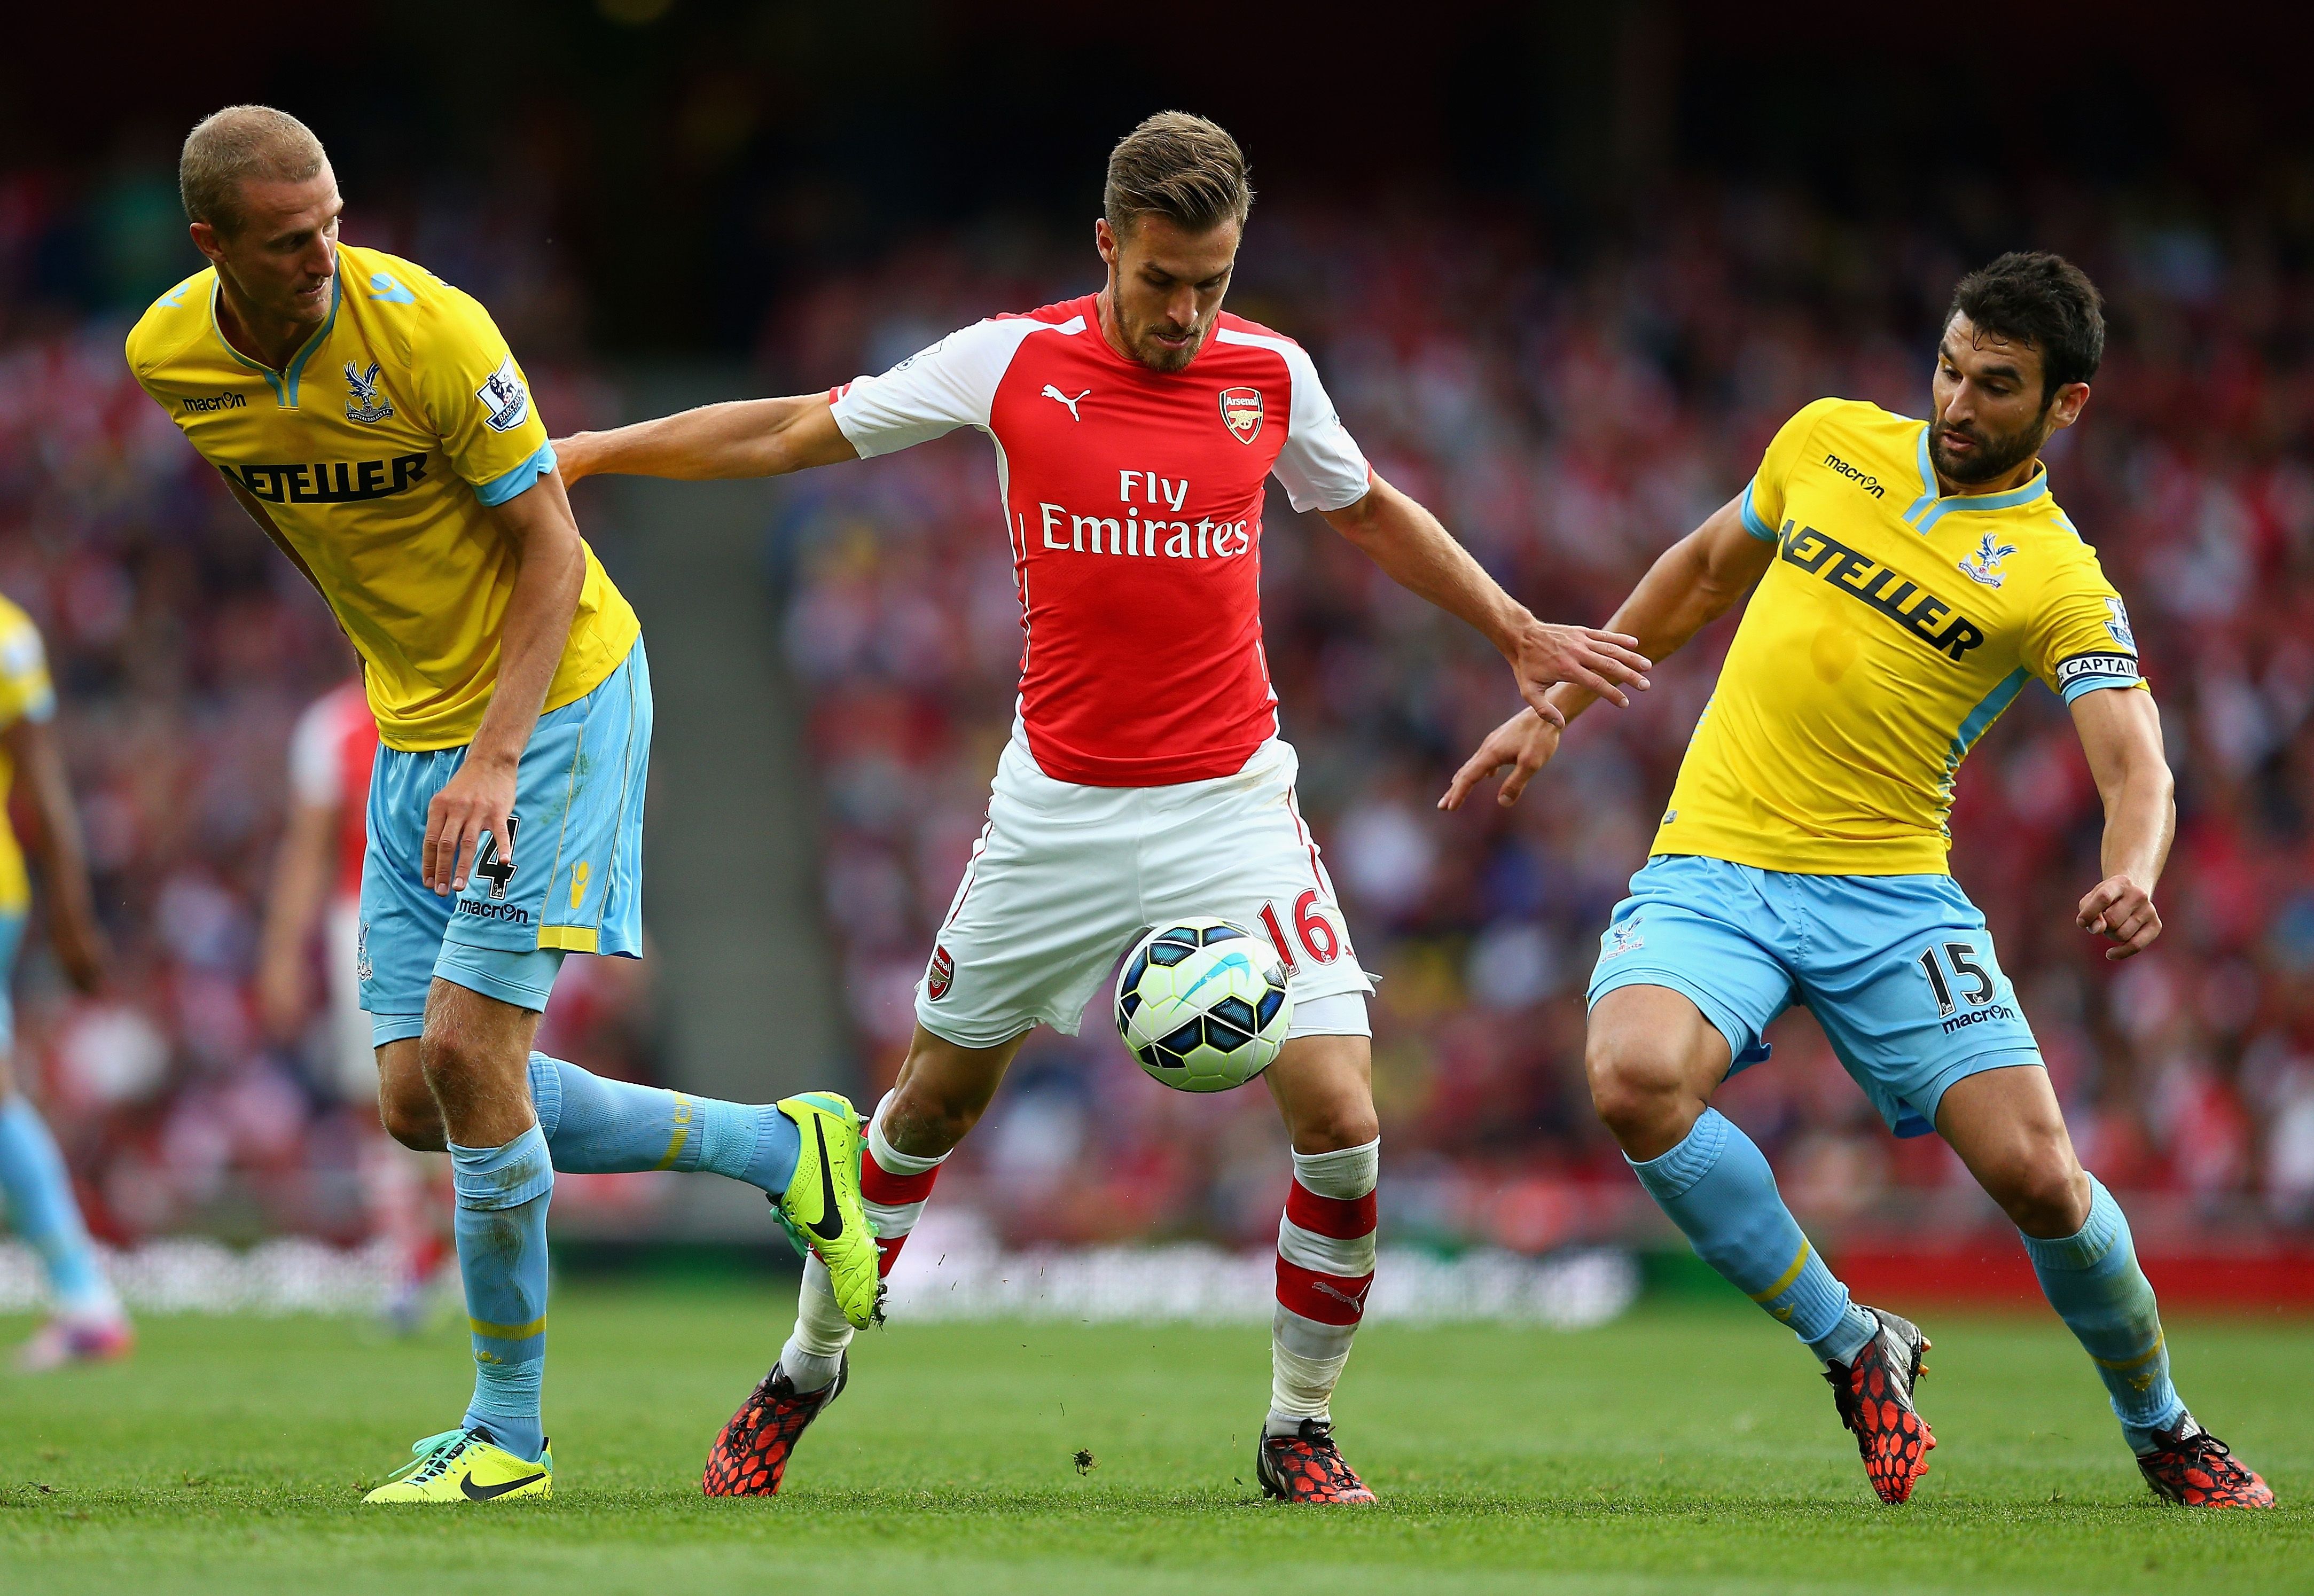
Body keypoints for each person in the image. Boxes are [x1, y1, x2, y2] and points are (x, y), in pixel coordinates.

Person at [554, 111, 1651, 1503]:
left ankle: (1296, 1427)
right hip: (1054, 813)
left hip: (1230, 805)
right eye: (1160, 281)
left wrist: (1508, 624)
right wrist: (595, 452)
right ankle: (803, 1371)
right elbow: (791, 427)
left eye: (1213, 280)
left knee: (1340, 1114)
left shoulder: (1270, 376)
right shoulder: (1011, 359)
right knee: (925, 1113)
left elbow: (1365, 507)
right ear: (1106, 246)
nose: (1188, 312)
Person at [127, 105, 879, 1503]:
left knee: (474, 1060)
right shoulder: (169, 353)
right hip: (419, 723)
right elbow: (300, 510)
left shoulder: (430, 332)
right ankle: (787, 1148)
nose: (324, 261)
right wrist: (411, 679)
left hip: (559, 698)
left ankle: (508, 1434)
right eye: (291, 244)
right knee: (418, 1097)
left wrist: (491, 750)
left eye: (335, 224)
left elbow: (549, 548)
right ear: (212, 243)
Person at [1444, 252, 2274, 1509]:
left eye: (1994, 385)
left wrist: (2132, 866)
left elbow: (2131, 755)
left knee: (2039, 1177)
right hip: (1714, 863)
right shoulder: (1826, 440)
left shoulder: (2054, 574)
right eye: (1946, 366)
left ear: (2063, 405)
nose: (1953, 401)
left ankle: (2161, 1425)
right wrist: (1554, 703)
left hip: (1888, 898)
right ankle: (1850, 1343)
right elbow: (1704, 569)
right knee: (1630, 1078)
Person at [258, 677, 441, 1331]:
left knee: (467, 1085)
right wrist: (283, 953)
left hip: (454, 916)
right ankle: (410, 1259)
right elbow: (307, 850)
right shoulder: (329, 727)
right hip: (360, 923)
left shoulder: (455, 701)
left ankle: (455, 1249)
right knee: (380, 1101)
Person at [0, 595, 125, 1370]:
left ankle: (84, 1295)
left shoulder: (8, 635)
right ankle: (83, 1295)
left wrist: (74, 908)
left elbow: (41, 776)